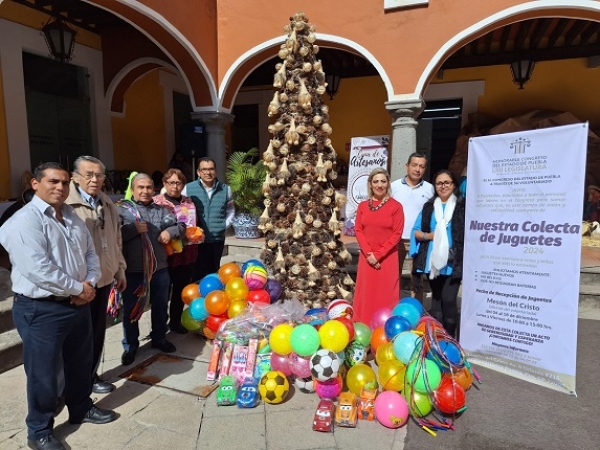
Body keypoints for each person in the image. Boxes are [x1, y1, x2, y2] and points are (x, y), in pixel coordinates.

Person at [0, 162, 117, 450]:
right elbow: (38, 269)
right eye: (53, 181)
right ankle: (38, 430)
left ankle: (80, 408)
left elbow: (90, 253)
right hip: (42, 310)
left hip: (78, 304)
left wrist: (88, 284)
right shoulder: (22, 221)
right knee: (44, 374)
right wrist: (80, 289)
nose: (60, 188)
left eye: (65, 182)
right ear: (35, 184)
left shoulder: (72, 217)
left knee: (80, 363)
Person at [66, 156, 127, 394]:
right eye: (88, 174)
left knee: (96, 334)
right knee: (77, 339)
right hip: (79, 284)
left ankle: (90, 377)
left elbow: (115, 240)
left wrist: (119, 268)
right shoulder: (66, 204)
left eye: (99, 175)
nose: (94, 179)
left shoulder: (107, 202)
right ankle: (74, 383)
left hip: (103, 279)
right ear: (75, 177)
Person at [118, 173, 185, 366]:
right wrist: (132, 230)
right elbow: (113, 237)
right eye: (141, 187)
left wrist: (169, 231)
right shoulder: (122, 211)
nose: (145, 191)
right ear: (133, 189)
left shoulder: (162, 209)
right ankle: (130, 346)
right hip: (134, 270)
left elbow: (180, 226)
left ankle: (159, 338)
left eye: (149, 187)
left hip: (159, 268)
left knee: (160, 304)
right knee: (132, 309)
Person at [410, 169, 465, 338]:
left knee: (449, 300)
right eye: (439, 183)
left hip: (453, 261)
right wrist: (430, 236)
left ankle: (449, 340)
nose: (443, 186)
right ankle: (436, 339)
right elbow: (416, 231)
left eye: (447, 182)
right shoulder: (428, 207)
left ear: (453, 184)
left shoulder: (463, 207)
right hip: (432, 261)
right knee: (436, 300)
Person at [353, 168, 404, 325]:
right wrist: (369, 253)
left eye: (383, 181)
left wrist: (378, 255)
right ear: (370, 184)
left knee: (385, 295)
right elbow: (358, 230)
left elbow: (397, 234)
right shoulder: (362, 206)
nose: (379, 185)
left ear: (388, 183)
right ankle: (363, 327)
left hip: (386, 260)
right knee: (366, 295)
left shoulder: (396, 207)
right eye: (376, 181)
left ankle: (385, 330)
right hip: (367, 258)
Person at [153, 169, 201, 334]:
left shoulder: (188, 201)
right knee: (162, 293)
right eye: (171, 182)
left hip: (186, 253)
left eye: (179, 182)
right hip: (165, 255)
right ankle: (159, 328)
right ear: (165, 184)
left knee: (180, 289)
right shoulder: (157, 202)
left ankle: (175, 321)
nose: (175, 186)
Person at [391, 152, 434, 303]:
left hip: (419, 241)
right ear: (407, 166)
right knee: (393, 278)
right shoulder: (393, 187)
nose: (417, 169)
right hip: (396, 240)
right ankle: (392, 306)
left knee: (417, 281)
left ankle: (417, 310)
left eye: (421, 166)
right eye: (414, 165)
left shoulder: (430, 190)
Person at [183, 157, 234, 281]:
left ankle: (212, 297)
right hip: (196, 240)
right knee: (195, 273)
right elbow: (182, 212)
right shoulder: (188, 188)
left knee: (214, 272)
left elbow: (231, 210)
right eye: (204, 169)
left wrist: (224, 225)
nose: (208, 172)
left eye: (211, 169)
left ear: (215, 171)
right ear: (198, 172)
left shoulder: (225, 189)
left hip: (216, 239)